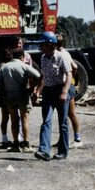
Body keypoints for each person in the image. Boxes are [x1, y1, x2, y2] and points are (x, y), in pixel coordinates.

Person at [32, 31, 72, 161]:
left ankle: (63, 151)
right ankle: (44, 150)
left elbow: (69, 74)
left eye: (42, 44)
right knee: (46, 120)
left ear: (50, 44)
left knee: (62, 122)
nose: (40, 47)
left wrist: (65, 92)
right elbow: (43, 77)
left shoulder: (61, 57)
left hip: (61, 89)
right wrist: (38, 92)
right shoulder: (43, 58)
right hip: (48, 91)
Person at [0, 46, 40, 153]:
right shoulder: (24, 66)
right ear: (22, 56)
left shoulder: (4, 67)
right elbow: (39, 76)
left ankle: (15, 144)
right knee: (24, 119)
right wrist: (33, 88)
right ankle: (26, 144)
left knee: (14, 120)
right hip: (23, 95)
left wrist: (2, 95)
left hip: (9, 96)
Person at [55, 34, 83, 147]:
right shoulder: (66, 52)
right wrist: (71, 78)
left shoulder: (60, 54)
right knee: (69, 114)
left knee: (67, 114)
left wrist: (69, 77)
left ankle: (73, 140)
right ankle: (73, 138)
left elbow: (74, 67)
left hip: (63, 87)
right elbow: (74, 67)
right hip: (68, 86)